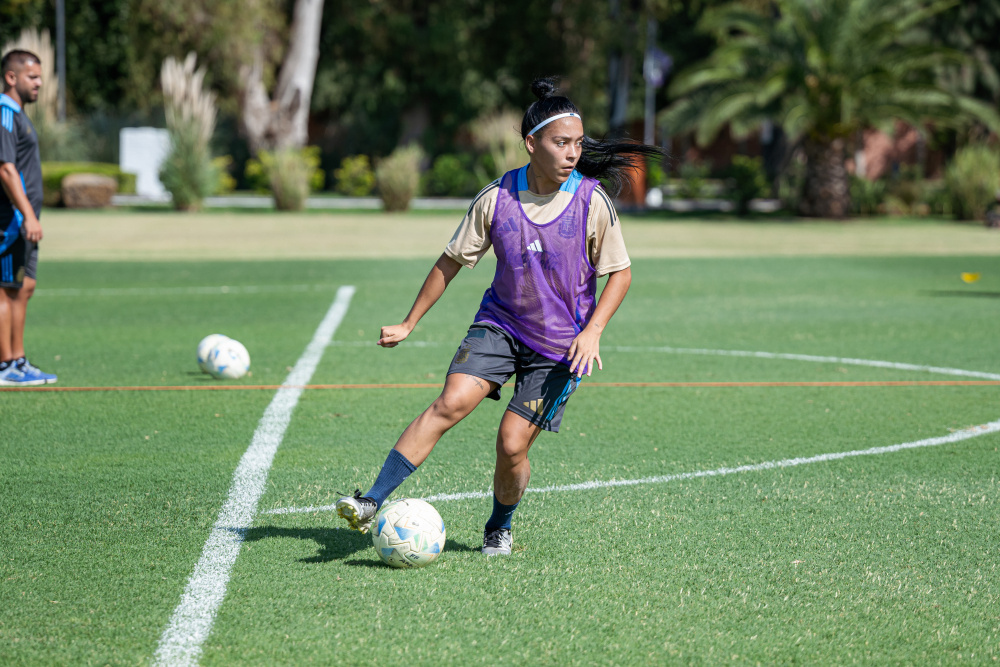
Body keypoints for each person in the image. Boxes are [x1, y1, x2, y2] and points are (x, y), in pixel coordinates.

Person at [336, 77, 665, 555]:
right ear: (532, 144)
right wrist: (409, 323)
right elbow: (450, 261)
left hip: (559, 347)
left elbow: (621, 274)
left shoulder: (592, 201)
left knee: (512, 445)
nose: (573, 153)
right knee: (449, 402)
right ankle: (371, 501)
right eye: (561, 143)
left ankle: (499, 525)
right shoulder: (498, 197)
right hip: (501, 324)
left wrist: (593, 331)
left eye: (577, 143)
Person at [0, 49, 56, 386]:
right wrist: (27, 214)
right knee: (6, 290)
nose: (39, 83)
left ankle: (17, 361)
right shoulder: (4, 113)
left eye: (39, 77)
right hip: (8, 220)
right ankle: (5, 365)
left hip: (21, 222)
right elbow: (5, 169)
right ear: (11, 77)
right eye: (32, 77)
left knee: (23, 287)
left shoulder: (19, 114)